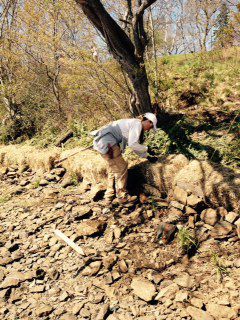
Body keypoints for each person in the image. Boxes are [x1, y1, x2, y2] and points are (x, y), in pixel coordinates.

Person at [91, 113, 158, 204]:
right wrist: (147, 149)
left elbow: (134, 146)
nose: (148, 130)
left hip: (103, 142)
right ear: (148, 121)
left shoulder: (133, 123)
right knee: (121, 167)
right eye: (150, 127)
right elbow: (133, 144)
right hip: (107, 143)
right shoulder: (137, 124)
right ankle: (122, 196)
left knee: (113, 168)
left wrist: (147, 156)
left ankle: (109, 196)